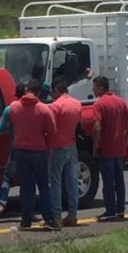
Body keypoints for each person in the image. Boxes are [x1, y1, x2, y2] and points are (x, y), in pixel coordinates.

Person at [9, 79, 57, 230]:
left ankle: (25, 220)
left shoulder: (14, 107)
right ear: (39, 93)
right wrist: (47, 147)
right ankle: (48, 219)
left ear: (26, 90)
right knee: (43, 186)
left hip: (20, 151)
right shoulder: (43, 109)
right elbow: (52, 131)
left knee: (26, 186)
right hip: (38, 150)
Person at [91, 75, 128, 222]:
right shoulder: (120, 101)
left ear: (100, 87)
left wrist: (95, 144)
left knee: (108, 181)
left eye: (94, 87)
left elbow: (97, 127)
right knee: (119, 180)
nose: (93, 90)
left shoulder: (99, 104)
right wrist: (126, 134)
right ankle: (120, 210)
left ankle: (110, 210)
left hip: (107, 148)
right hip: (120, 147)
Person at [49, 77, 82, 228]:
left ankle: (56, 217)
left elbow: (50, 128)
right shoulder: (77, 104)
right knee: (72, 182)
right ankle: (73, 215)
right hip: (71, 145)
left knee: (55, 183)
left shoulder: (55, 106)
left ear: (56, 90)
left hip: (57, 146)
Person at [0, 83, 25, 218]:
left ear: (16, 95)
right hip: (32, 149)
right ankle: (28, 208)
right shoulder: (34, 107)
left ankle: (1, 204)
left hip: (16, 149)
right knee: (27, 179)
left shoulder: (10, 110)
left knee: (7, 178)